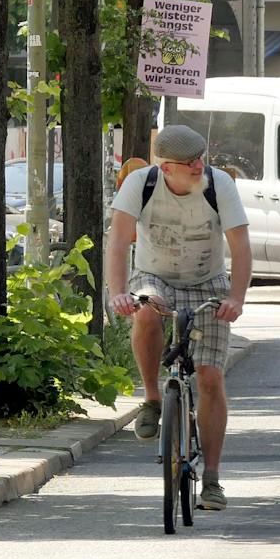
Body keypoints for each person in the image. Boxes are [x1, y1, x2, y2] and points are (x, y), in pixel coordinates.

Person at [104, 124, 251, 513]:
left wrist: (236, 297)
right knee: (147, 307)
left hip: (209, 282)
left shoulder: (219, 186)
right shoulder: (140, 184)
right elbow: (118, 241)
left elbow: (240, 246)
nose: (199, 166)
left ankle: (214, 479)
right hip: (156, 276)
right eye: (189, 163)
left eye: (201, 158)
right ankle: (152, 398)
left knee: (210, 377)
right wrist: (118, 292)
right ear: (167, 168)